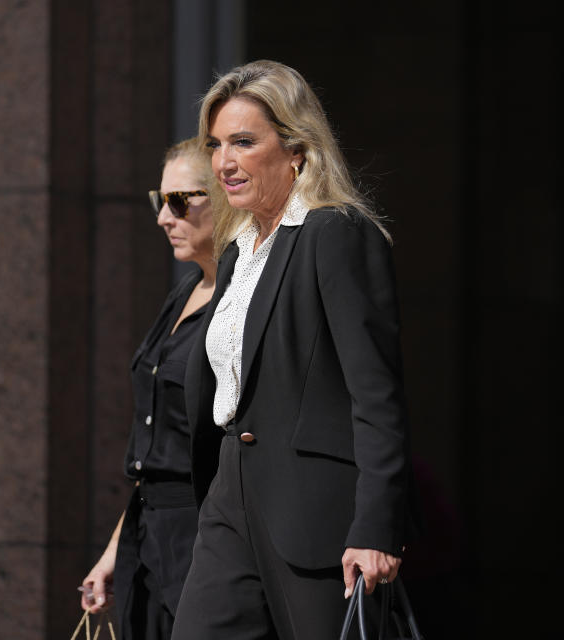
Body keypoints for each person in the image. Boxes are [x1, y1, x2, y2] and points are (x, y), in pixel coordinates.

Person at [172, 60, 415, 640]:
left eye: (244, 142)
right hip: (230, 499)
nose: (224, 162)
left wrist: (377, 524)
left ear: (296, 148)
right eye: (216, 145)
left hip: (315, 513)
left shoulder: (334, 233)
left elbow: (376, 394)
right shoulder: (238, 251)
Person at [80, 137, 225, 640]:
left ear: (226, 196)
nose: (165, 217)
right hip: (149, 534)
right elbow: (157, 453)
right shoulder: (185, 289)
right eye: (158, 201)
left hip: (205, 537)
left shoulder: (244, 300)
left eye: (180, 201)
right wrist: (114, 551)